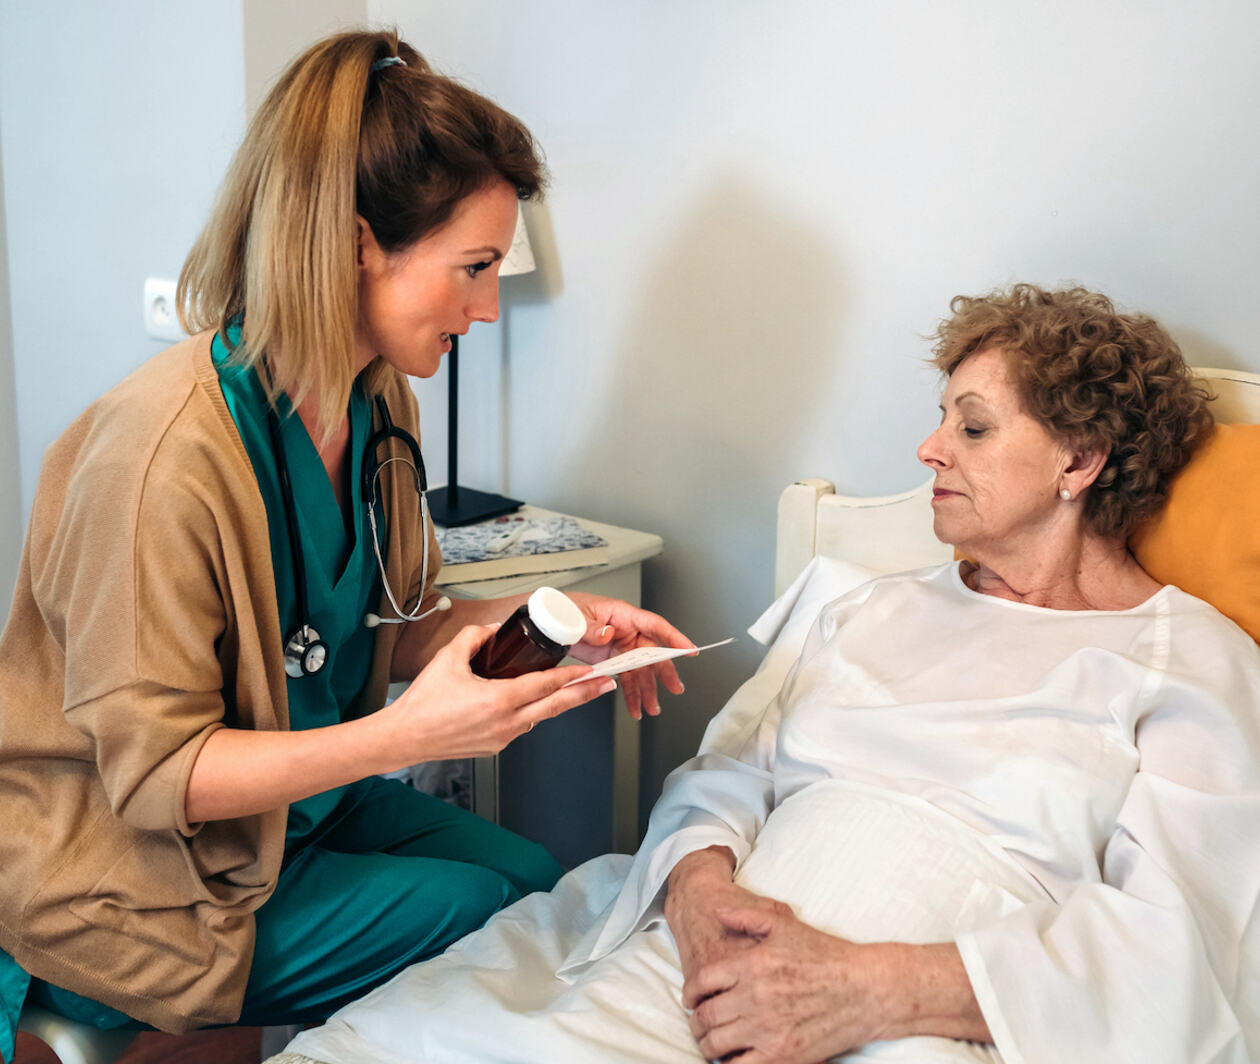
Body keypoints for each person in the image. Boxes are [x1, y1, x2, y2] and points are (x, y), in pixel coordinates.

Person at [273, 284, 1260, 1064]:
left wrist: (864, 988)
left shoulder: (1188, 662)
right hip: (696, 972)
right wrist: (701, 907)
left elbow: (1173, 947)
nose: (928, 448)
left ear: (1079, 460)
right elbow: (723, 775)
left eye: (972, 426)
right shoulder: (870, 603)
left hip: (933, 1019)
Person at [0, 28, 693, 1062]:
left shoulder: (379, 409)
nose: (489, 306)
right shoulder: (157, 457)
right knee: (485, 912)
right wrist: (413, 735)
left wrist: (549, 626)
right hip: (134, 872)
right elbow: (158, 780)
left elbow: (388, 631)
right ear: (363, 242)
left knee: (552, 891)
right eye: (473, 266)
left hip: (293, 819)